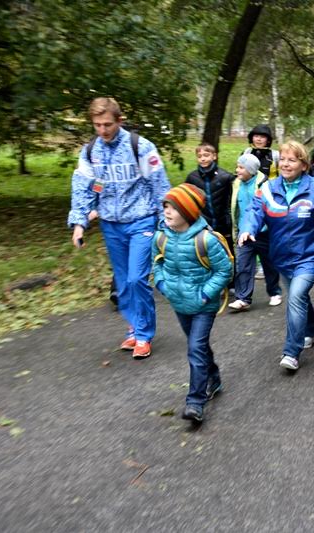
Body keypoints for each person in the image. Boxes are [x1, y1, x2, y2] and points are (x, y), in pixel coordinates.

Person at [68, 97, 170, 359]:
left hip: (141, 221)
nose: (103, 130)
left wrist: (166, 224)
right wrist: (79, 223)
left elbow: (160, 186)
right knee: (123, 284)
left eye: (108, 124)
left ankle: (144, 335)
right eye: (97, 125)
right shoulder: (91, 151)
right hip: (110, 224)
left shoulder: (141, 147)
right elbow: (83, 188)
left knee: (137, 278)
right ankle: (134, 329)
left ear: (120, 121)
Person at [238, 141, 314, 372]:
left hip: (310, 256)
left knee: (296, 297)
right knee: (300, 298)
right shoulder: (268, 188)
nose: (286, 164)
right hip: (282, 257)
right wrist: (248, 229)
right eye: (284, 159)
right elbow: (254, 211)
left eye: (292, 160)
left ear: (303, 165)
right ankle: (313, 328)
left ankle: (291, 351)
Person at [152, 184, 232, 424]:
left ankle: (195, 402)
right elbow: (157, 263)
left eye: (173, 207)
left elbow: (224, 270)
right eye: (165, 206)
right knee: (199, 347)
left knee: (195, 349)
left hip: (203, 307)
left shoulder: (206, 240)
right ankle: (213, 377)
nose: (166, 211)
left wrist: (205, 295)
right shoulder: (161, 236)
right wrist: (162, 284)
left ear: (187, 212)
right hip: (179, 303)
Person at [228, 153, 284, 310]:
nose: (237, 170)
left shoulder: (265, 183)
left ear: (251, 170)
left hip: (263, 232)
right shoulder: (236, 184)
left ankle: (274, 292)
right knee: (242, 265)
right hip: (243, 231)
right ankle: (243, 298)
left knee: (269, 265)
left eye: (241, 167)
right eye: (237, 166)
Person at [185, 143, 235, 254]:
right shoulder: (192, 177)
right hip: (202, 224)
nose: (203, 159)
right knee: (205, 254)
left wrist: (229, 220)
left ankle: (232, 272)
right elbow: (187, 199)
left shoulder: (225, 177)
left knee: (227, 253)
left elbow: (232, 200)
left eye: (206, 155)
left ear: (214, 156)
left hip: (223, 224)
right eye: (199, 156)